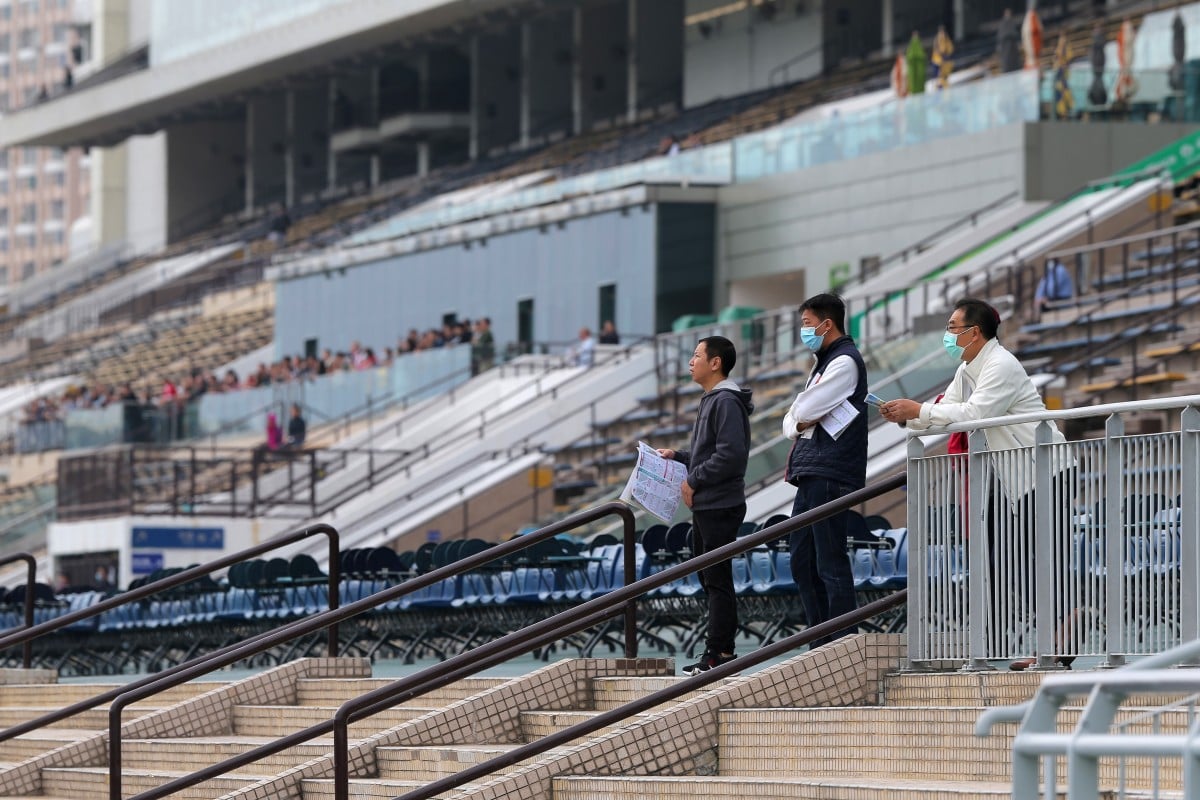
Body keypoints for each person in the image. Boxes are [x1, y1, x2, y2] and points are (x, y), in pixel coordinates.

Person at [879, 298, 1071, 670]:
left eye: (952, 328)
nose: (947, 336)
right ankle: (1007, 647)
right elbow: (944, 412)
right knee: (1002, 561)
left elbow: (975, 415)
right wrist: (906, 416)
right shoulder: (967, 369)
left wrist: (918, 411)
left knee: (1039, 561)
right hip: (1010, 477)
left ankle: (1057, 645)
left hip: (1044, 472)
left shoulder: (1001, 365)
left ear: (974, 332)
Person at [656, 336, 753, 675]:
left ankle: (719, 653)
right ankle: (719, 650)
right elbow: (711, 452)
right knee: (711, 578)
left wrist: (693, 480)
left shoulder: (725, 401)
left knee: (716, 579)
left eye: (697, 355)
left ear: (716, 363)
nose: (690, 361)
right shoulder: (713, 399)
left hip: (719, 504)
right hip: (708, 504)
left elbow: (730, 455)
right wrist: (679, 457)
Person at [782, 293, 868, 647]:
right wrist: (798, 419)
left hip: (830, 471)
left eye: (806, 324)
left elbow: (801, 413)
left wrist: (799, 419)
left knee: (829, 559)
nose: (804, 331)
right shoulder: (825, 362)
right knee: (802, 557)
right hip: (812, 469)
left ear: (826, 324)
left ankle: (842, 639)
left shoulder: (844, 362)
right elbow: (794, 419)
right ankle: (821, 637)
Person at [997, 9, 1022, 74]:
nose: (1008, 15)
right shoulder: (1002, 24)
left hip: (1013, 48)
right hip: (1006, 48)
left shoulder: (1012, 22)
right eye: (1007, 13)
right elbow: (1001, 37)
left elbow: (1015, 34)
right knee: (1007, 62)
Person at [932, 25, 954, 89]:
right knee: (938, 76)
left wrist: (946, 54)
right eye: (940, 32)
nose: (942, 34)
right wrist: (940, 55)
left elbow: (950, 49)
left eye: (942, 32)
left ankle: (944, 85)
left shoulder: (946, 39)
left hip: (945, 60)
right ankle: (939, 86)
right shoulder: (937, 40)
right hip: (938, 61)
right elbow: (936, 50)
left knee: (945, 76)